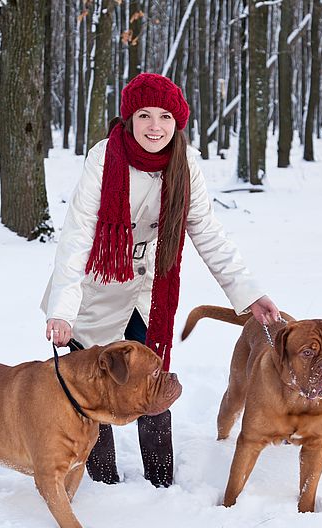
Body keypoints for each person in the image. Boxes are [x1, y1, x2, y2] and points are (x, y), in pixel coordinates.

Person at [40, 72, 279, 488]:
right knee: (95, 387)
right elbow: (76, 237)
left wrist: (249, 293)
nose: (155, 126)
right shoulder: (104, 159)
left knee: (153, 379)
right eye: (145, 115)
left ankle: (160, 481)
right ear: (129, 119)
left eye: (165, 116)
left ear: (178, 121)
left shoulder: (186, 165)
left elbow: (206, 230)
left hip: (151, 289)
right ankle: (102, 480)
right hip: (97, 286)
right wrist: (63, 310)